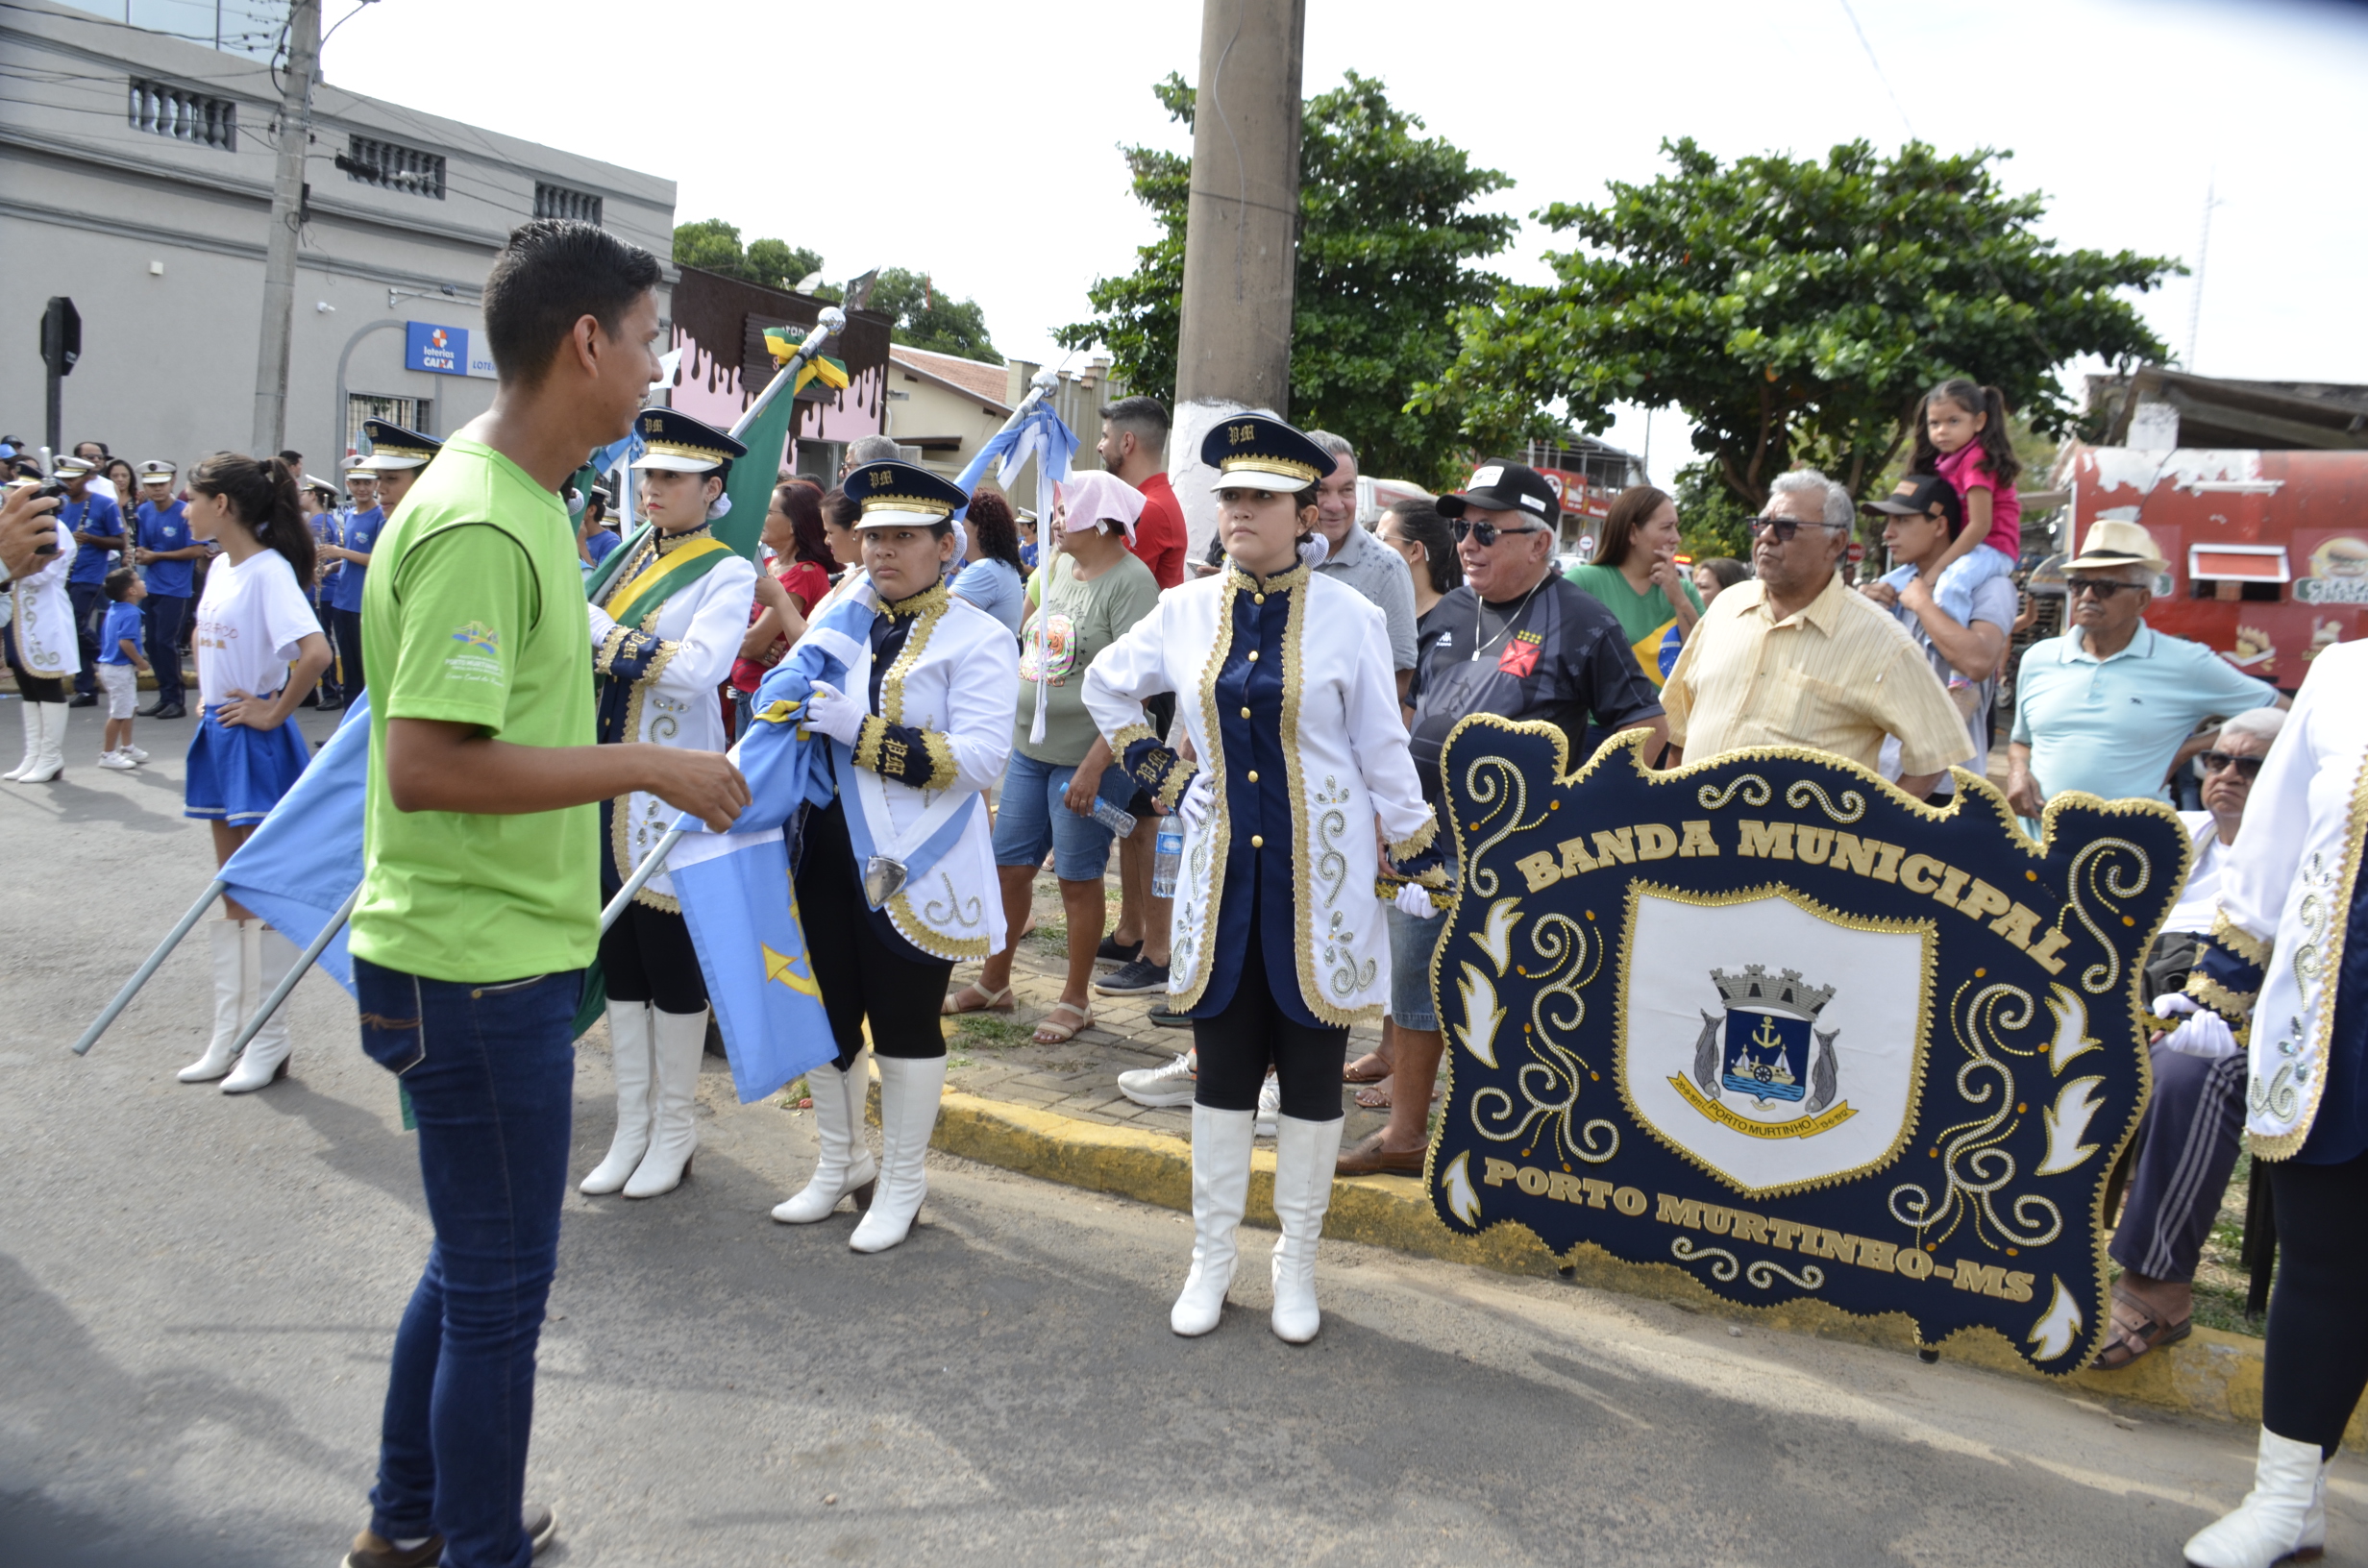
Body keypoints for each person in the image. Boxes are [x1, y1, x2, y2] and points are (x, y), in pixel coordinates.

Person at [342, 219, 747, 1568]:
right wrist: (651, 765)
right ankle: (472, 1546)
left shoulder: (510, 500)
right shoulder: (478, 520)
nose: (651, 378)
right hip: (468, 969)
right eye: (645, 346)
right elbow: (427, 767)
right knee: (502, 1292)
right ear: (586, 341)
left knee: (471, 1267)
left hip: (480, 951)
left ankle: (410, 1527)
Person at [1083, 414, 1446, 1342]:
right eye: (1231, 496)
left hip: (1317, 888)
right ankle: (1211, 1258)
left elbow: (1381, 747)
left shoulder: (1353, 617)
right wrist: (1164, 779)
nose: (1239, 511)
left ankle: (1297, 1262)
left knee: (1316, 1083)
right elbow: (1105, 685)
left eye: (1260, 498)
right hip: (1217, 888)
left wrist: (1415, 848)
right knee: (1223, 1078)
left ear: (1303, 514)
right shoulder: (1185, 610)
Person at [1336, 459, 1668, 1175]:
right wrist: (1384, 812)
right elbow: (1406, 714)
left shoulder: (1581, 620)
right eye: (1462, 527)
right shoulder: (1450, 611)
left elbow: (1645, 723)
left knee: (1514, 1000)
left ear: (1540, 543)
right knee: (1417, 988)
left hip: (1519, 856)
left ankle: (1515, 1140)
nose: (1469, 543)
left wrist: (1581, 815)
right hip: (1425, 842)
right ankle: (1405, 1138)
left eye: (1487, 529)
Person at [768, 459, 1018, 1253]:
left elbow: (981, 760)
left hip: (916, 860)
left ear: (947, 546)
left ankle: (904, 1182)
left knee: (905, 1023)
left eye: (905, 536)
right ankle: (841, 1162)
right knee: (828, 1016)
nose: (883, 551)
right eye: (874, 535)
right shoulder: (844, 612)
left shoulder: (978, 636)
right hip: (825, 845)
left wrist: (861, 732)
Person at [2169, 643, 2367, 1568]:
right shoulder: (2344, 676)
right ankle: (2288, 1499)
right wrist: (2221, 990)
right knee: (2326, 1257)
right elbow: (2280, 843)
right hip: (2344, 1021)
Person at [579, 407, 758, 1201]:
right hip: (602, 783)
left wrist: (595, 632)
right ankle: (632, 1126)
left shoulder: (727, 570)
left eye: (672, 477)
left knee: (670, 964)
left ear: (712, 488)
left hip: (670, 794)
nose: (652, 488)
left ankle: (676, 1131)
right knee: (618, 961)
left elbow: (697, 670)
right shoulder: (622, 558)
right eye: (648, 474)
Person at [2090, 708, 2282, 1372]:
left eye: (2250, 765)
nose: (2227, 775)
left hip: (2250, 1017)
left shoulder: (2308, 855)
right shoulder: (2182, 838)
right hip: (2148, 995)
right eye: (2218, 760)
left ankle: (2158, 1284)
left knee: (2188, 1074)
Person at [947, 470, 1159, 1041]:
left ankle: (1076, 998)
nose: (1056, 521)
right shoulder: (1055, 566)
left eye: (1068, 512)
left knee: (1076, 877)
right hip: (1028, 748)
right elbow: (1020, 641)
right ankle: (995, 982)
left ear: (1104, 520)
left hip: (1089, 757)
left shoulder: (1133, 582)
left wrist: (1093, 768)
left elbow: (1135, 691)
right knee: (1008, 868)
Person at [172, 453, 335, 1094]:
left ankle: (267, 1040)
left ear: (223, 506)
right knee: (230, 890)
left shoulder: (268, 572)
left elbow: (316, 652)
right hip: (218, 732)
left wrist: (272, 712)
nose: (185, 508)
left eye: (192, 497)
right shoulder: (219, 566)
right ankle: (228, 1036)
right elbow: (201, 639)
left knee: (258, 889)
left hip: (253, 741)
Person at [1660, 470, 1970, 799]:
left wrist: (1873, 831)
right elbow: (1679, 730)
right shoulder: (1726, 607)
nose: (1766, 536)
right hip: (1698, 840)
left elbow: (1936, 752)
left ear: (1835, 543)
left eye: (1786, 527)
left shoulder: (1881, 639)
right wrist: (1668, 805)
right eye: (1760, 524)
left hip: (1798, 850)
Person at [2005, 519, 2282, 827]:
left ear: (2142, 599)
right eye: (2079, 584)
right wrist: (2018, 770)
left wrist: (2188, 748)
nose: (2087, 596)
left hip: (2135, 852)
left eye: (2105, 587)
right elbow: (2022, 742)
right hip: (2037, 848)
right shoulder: (2038, 658)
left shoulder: (2187, 663)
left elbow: (2283, 714)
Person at [1858, 474, 2015, 789]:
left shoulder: (1990, 586)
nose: (1888, 533)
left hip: (1947, 789)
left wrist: (1924, 605)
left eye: (1902, 520)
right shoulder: (1891, 585)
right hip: (1878, 774)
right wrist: (1860, 607)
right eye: (1888, 521)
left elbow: (1979, 662)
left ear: (1940, 526)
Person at [1883, 379, 2022, 631]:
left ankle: (1950, 654)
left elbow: (1980, 525)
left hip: (1994, 548)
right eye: (1934, 423)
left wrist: (1938, 568)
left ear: (1979, 421)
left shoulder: (1976, 461)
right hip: (1975, 548)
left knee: (1950, 584)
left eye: (1953, 421)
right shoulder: (1950, 461)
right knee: (1889, 582)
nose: (1941, 431)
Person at [1565, 483, 1705, 688]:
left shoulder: (1686, 592)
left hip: (1669, 718)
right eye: (1667, 527)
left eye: (1676, 527)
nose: (1676, 538)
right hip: (1600, 720)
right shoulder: (1584, 582)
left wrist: (1679, 600)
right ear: (1632, 532)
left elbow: (1705, 658)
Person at [728, 479, 833, 731]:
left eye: (769, 511)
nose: (760, 517)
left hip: (766, 698)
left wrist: (741, 642)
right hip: (745, 691)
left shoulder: (804, 574)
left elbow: (752, 644)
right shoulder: (772, 564)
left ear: (794, 524)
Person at [3, 472, 78, 783]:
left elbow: (42, 574)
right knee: (27, 685)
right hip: (17, 615)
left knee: (46, 683)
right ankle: (33, 754)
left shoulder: (55, 529)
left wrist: (10, 566)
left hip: (44, 615)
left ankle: (51, 756)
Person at [132, 460, 200, 720]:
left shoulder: (184, 511)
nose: (156, 489)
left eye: (161, 484)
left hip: (176, 588)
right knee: (152, 643)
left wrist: (156, 556)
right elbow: (145, 546)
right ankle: (164, 695)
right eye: (150, 485)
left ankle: (176, 699)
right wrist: (141, 554)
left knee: (165, 641)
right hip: (151, 586)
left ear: (172, 482)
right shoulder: (145, 511)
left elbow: (196, 550)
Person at [56, 453, 126, 708]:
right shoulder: (59, 503)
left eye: (72, 479)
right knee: (70, 630)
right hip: (63, 573)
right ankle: (86, 688)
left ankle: (111, 659)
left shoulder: (103, 504)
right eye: (63, 479)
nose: (66, 484)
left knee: (76, 625)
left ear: (86, 478)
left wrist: (91, 538)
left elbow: (120, 541)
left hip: (90, 574)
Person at [1098, 395, 1186, 590]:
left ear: (1127, 443)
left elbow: (1105, 586)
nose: (1099, 446)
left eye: (1105, 436)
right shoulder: (1150, 503)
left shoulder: (1149, 510)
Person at [950, 486, 1027, 634]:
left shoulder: (985, 569)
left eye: (960, 527)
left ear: (980, 530)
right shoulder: (999, 566)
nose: (954, 535)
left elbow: (934, 618)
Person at [93, 566, 149, 768]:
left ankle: (127, 747)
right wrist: (140, 661)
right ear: (131, 591)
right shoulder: (132, 614)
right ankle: (107, 754)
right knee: (119, 713)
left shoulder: (116, 608)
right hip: (119, 669)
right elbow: (125, 643)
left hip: (112, 667)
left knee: (129, 707)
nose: (142, 581)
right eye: (137, 579)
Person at [578, 485, 622, 568]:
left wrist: (581, 544)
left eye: (578, 506)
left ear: (591, 510)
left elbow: (600, 578)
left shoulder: (611, 540)